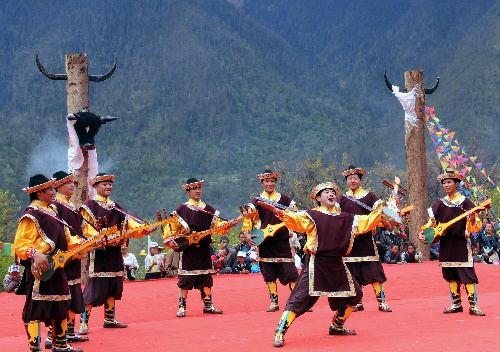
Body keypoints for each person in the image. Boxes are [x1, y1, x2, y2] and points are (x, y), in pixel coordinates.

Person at [263, 182, 385, 347]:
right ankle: (280, 331)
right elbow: (295, 219)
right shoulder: (312, 215)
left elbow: (368, 221)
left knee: (355, 295)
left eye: (333, 192)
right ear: (318, 198)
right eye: (326, 192)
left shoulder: (347, 218)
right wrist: (280, 213)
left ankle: (337, 325)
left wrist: (384, 210)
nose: (331, 194)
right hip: (317, 263)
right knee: (298, 299)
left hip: (337, 263)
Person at [14, 174, 84, 352]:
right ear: (39, 193)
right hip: (41, 270)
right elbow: (21, 244)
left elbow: (67, 239)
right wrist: (34, 253)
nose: (53, 192)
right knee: (35, 309)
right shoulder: (31, 215)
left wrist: (84, 243)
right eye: (50, 189)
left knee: (61, 303)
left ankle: (60, 344)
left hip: (58, 266)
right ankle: (35, 348)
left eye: (53, 188)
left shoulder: (53, 212)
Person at [79, 173, 155, 335]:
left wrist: (144, 229)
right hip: (99, 254)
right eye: (104, 184)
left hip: (115, 253)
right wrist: (104, 238)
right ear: (96, 187)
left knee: (114, 285)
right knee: (95, 289)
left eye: (110, 184)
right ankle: (84, 321)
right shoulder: (89, 206)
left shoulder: (116, 207)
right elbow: (87, 230)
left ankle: (109, 318)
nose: (108, 187)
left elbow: (130, 225)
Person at [418, 170, 485, 316]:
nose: (446, 185)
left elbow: (475, 225)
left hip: (461, 243)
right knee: (450, 273)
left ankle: (473, 305)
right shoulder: (440, 204)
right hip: (446, 243)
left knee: (467, 274)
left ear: (457, 183)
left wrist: (472, 218)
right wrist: (423, 233)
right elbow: (432, 224)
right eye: (444, 183)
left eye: (449, 182)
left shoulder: (466, 202)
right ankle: (456, 303)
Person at [163, 178, 224, 317]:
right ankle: (182, 306)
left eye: (199, 188)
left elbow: (218, 226)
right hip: (188, 250)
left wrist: (228, 226)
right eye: (194, 189)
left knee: (206, 278)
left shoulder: (209, 209)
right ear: (188, 191)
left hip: (203, 249)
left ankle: (208, 304)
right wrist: (169, 240)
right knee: (186, 279)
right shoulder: (182, 210)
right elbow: (171, 228)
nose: (198, 191)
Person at [242, 170, 299, 312]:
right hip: (264, 241)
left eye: (272, 181)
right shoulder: (256, 201)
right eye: (267, 181)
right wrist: (247, 233)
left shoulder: (286, 200)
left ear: (275, 183)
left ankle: (296, 301)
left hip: (282, 240)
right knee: (268, 273)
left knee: (290, 272)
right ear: (262, 183)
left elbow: (295, 216)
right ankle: (274, 302)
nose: (269, 184)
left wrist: (293, 230)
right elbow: (248, 219)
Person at [338, 165, 392, 312]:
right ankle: (357, 302)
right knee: (352, 272)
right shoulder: (341, 199)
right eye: (349, 179)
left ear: (360, 180)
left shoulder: (370, 197)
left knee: (375, 272)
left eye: (355, 178)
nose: (352, 181)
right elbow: (336, 218)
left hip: (367, 240)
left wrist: (385, 221)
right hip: (350, 242)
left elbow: (381, 213)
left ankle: (382, 302)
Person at [45, 171, 89, 349]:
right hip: (65, 256)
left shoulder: (71, 206)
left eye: (73, 182)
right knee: (63, 295)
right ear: (57, 187)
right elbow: (60, 233)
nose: (73, 185)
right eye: (68, 183)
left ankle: (69, 330)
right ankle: (52, 335)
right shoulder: (56, 206)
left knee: (74, 293)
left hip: (75, 256)